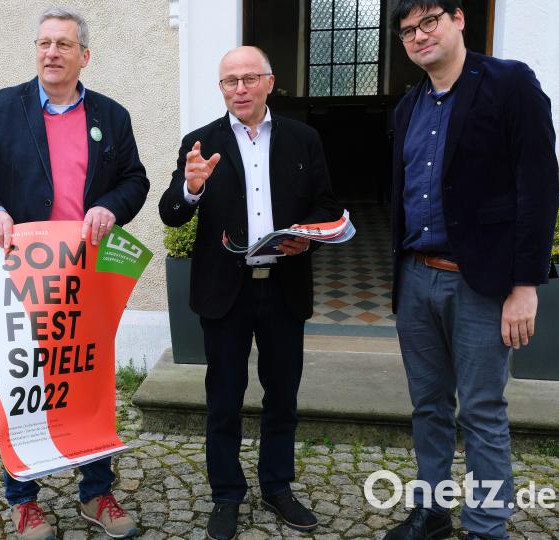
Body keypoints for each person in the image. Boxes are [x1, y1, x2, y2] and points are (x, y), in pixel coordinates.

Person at [0, 7, 149, 540]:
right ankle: (23, 498)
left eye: (64, 44)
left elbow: (135, 180)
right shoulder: (1, 108)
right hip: (21, 278)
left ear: (84, 55)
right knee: (25, 383)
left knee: (87, 379)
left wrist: (112, 205)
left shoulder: (111, 115)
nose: (51, 53)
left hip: (85, 278)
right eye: (44, 43)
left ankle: (96, 492)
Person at [385, 2, 559, 539]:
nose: (418, 36)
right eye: (407, 30)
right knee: (428, 406)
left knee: (482, 411)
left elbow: (539, 189)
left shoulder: (510, 85)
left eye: (428, 21)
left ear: (459, 18)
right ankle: (432, 512)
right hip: (416, 277)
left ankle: (486, 527)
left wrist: (525, 285)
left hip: (481, 283)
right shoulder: (407, 108)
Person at [159, 46, 341, 540]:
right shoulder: (200, 143)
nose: (238, 88)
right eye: (228, 81)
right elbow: (171, 213)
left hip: (284, 286)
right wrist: (191, 188)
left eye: (247, 79)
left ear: (269, 82)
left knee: (282, 396)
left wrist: (310, 233)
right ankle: (226, 495)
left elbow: (326, 201)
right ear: (221, 88)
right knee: (223, 398)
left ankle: (278, 487)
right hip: (225, 293)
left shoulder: (303, 139)